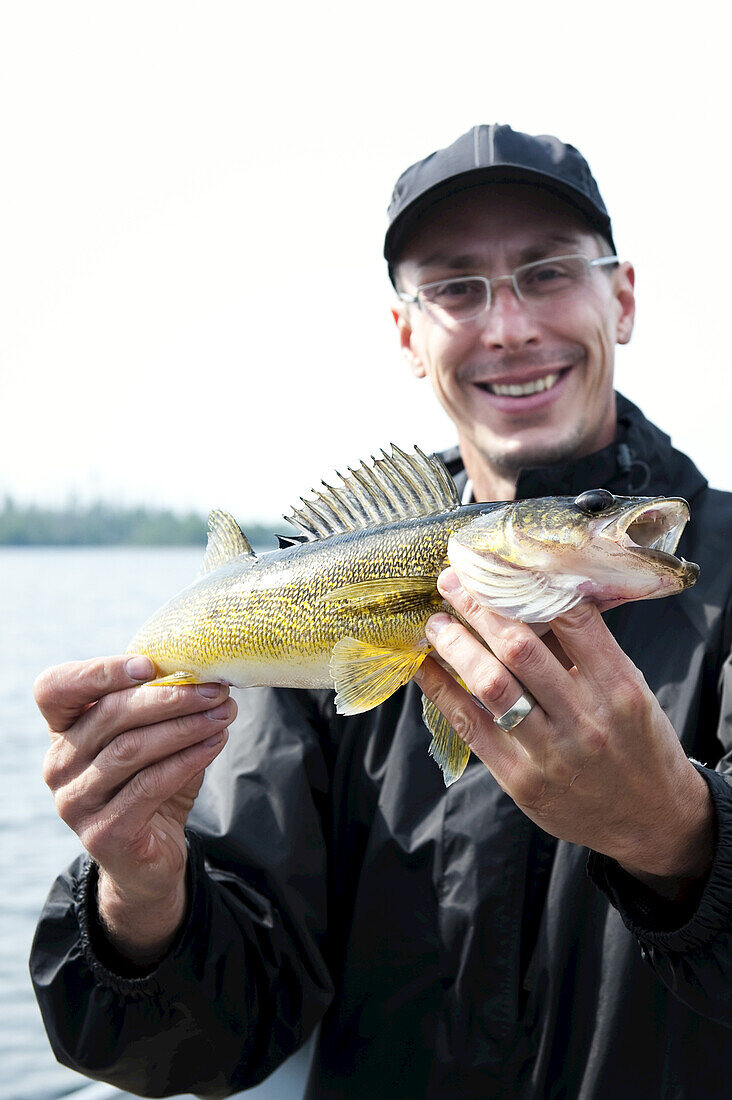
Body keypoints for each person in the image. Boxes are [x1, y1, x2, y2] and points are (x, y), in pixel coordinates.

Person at [30, 125, 732, 1099]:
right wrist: (140, 893)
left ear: (622, 295)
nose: (508, 326)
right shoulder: (314, 622)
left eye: (546, 271)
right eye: (455, 286)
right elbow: (215, 1038)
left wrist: (682, 838)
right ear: (408, 334)